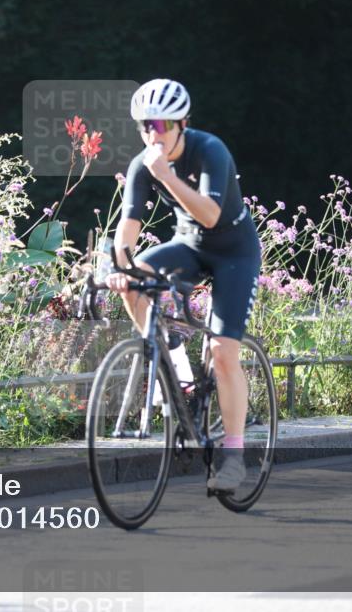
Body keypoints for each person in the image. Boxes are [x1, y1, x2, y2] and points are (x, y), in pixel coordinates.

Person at [105, 78, 261, 491]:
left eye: (160, 125)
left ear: (182, 124)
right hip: (188, 246)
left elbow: (210, 215)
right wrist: (122, 264)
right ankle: (169, 361)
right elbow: (129, 225)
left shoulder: (210, 149)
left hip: (233, 253)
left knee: (222, 352)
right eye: (144, 126)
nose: (151, 134)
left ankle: (234, 456)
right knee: (134, 282)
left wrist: (167, 176)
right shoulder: (144, 162)